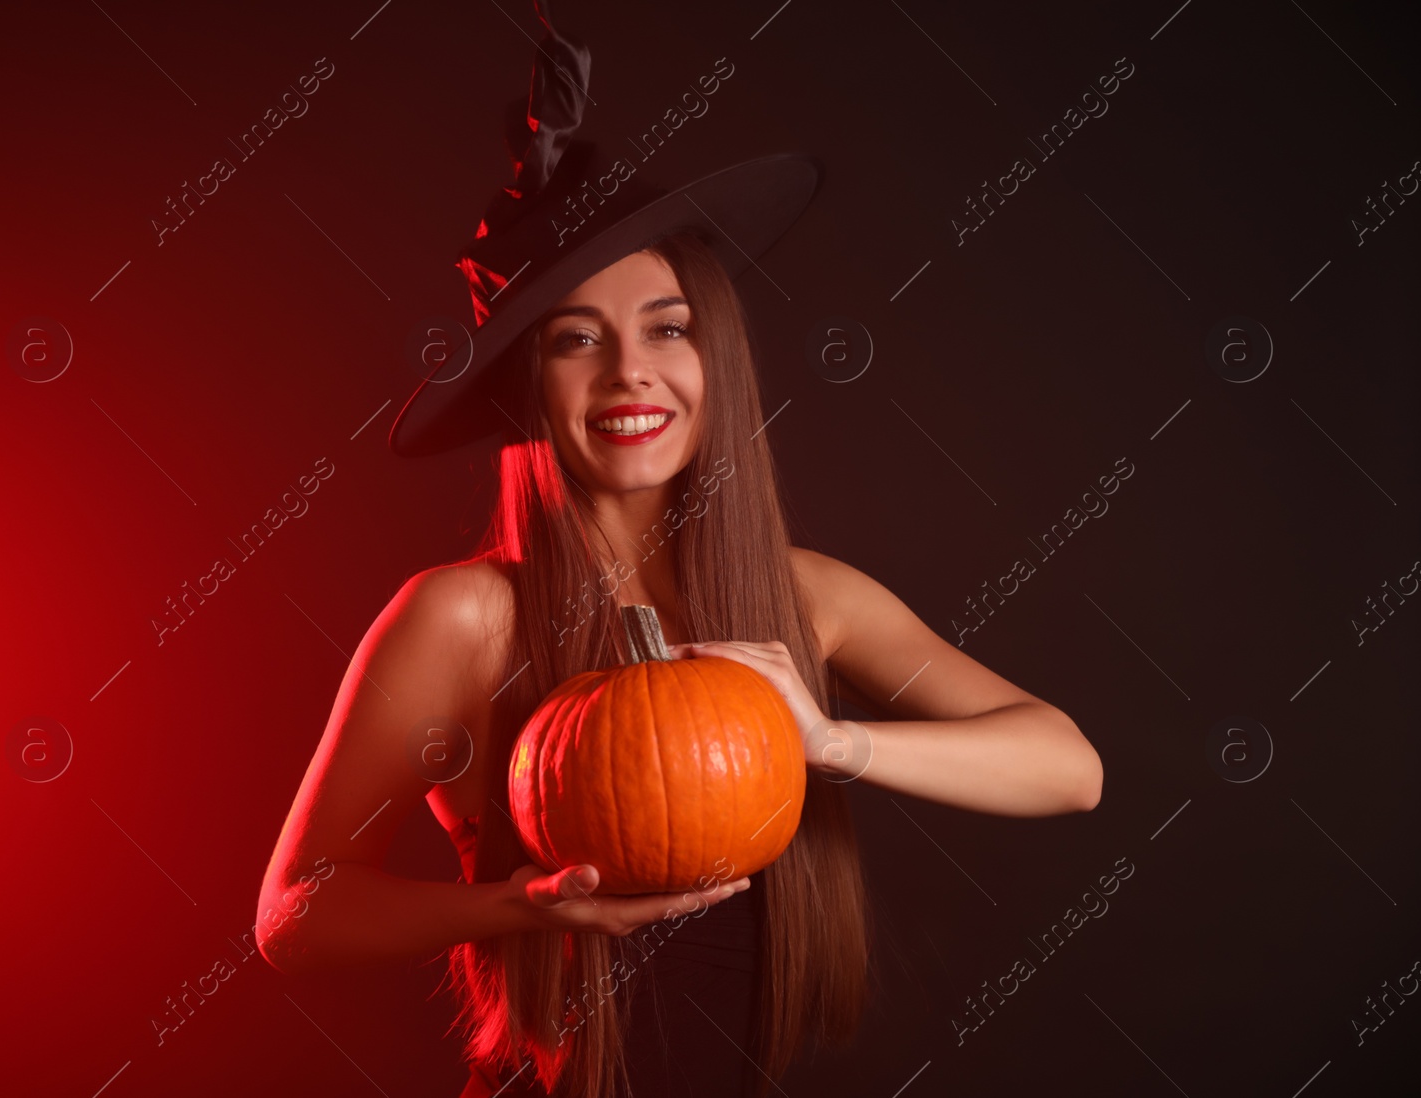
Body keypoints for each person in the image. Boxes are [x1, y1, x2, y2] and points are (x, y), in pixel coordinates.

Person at [255, 6, 1101, 1096]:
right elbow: (297, 911)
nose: (628, 375)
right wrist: (522, 905)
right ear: (525, 390)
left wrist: (833, 744)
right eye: (575, 339)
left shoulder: (806, 598)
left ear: (717, 354)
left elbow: (1068, 767)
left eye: (666, 327)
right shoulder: (467, 619)